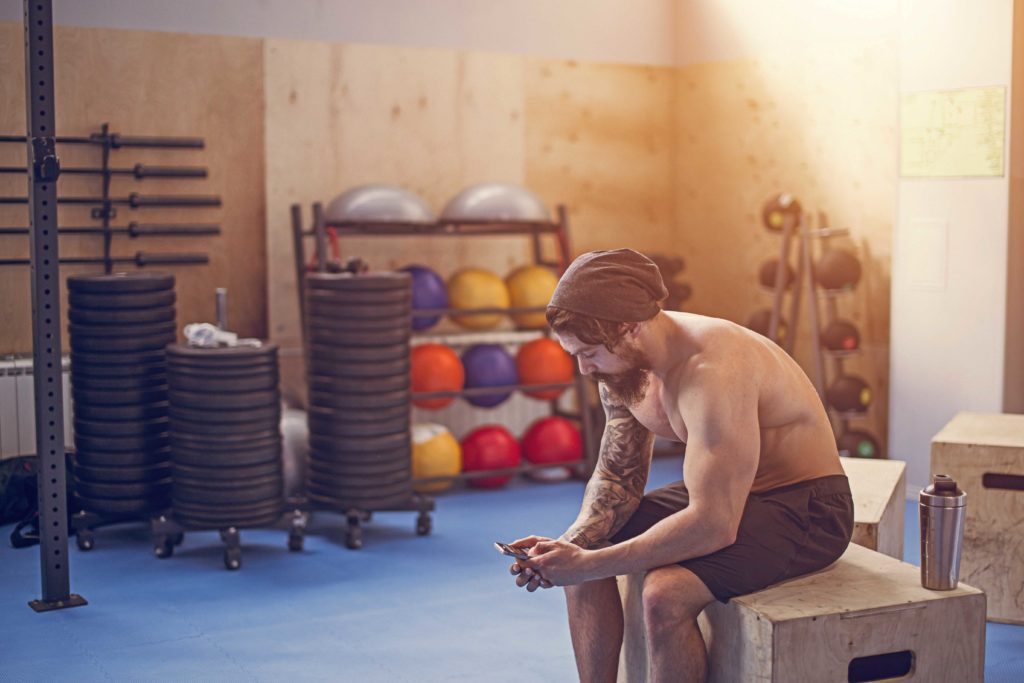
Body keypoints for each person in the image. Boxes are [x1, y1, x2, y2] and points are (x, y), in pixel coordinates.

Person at [507, 248, 853, 683]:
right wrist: (570, 549)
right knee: (585, 546)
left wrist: (588, 564)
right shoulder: (620, 366)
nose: (582, 368)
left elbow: (714, 524)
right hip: (730, 494)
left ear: (629, 328)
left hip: (806, 506)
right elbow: (617, 476)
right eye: (574, 353)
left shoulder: (712, 370)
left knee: (665, 594)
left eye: (590, 352)